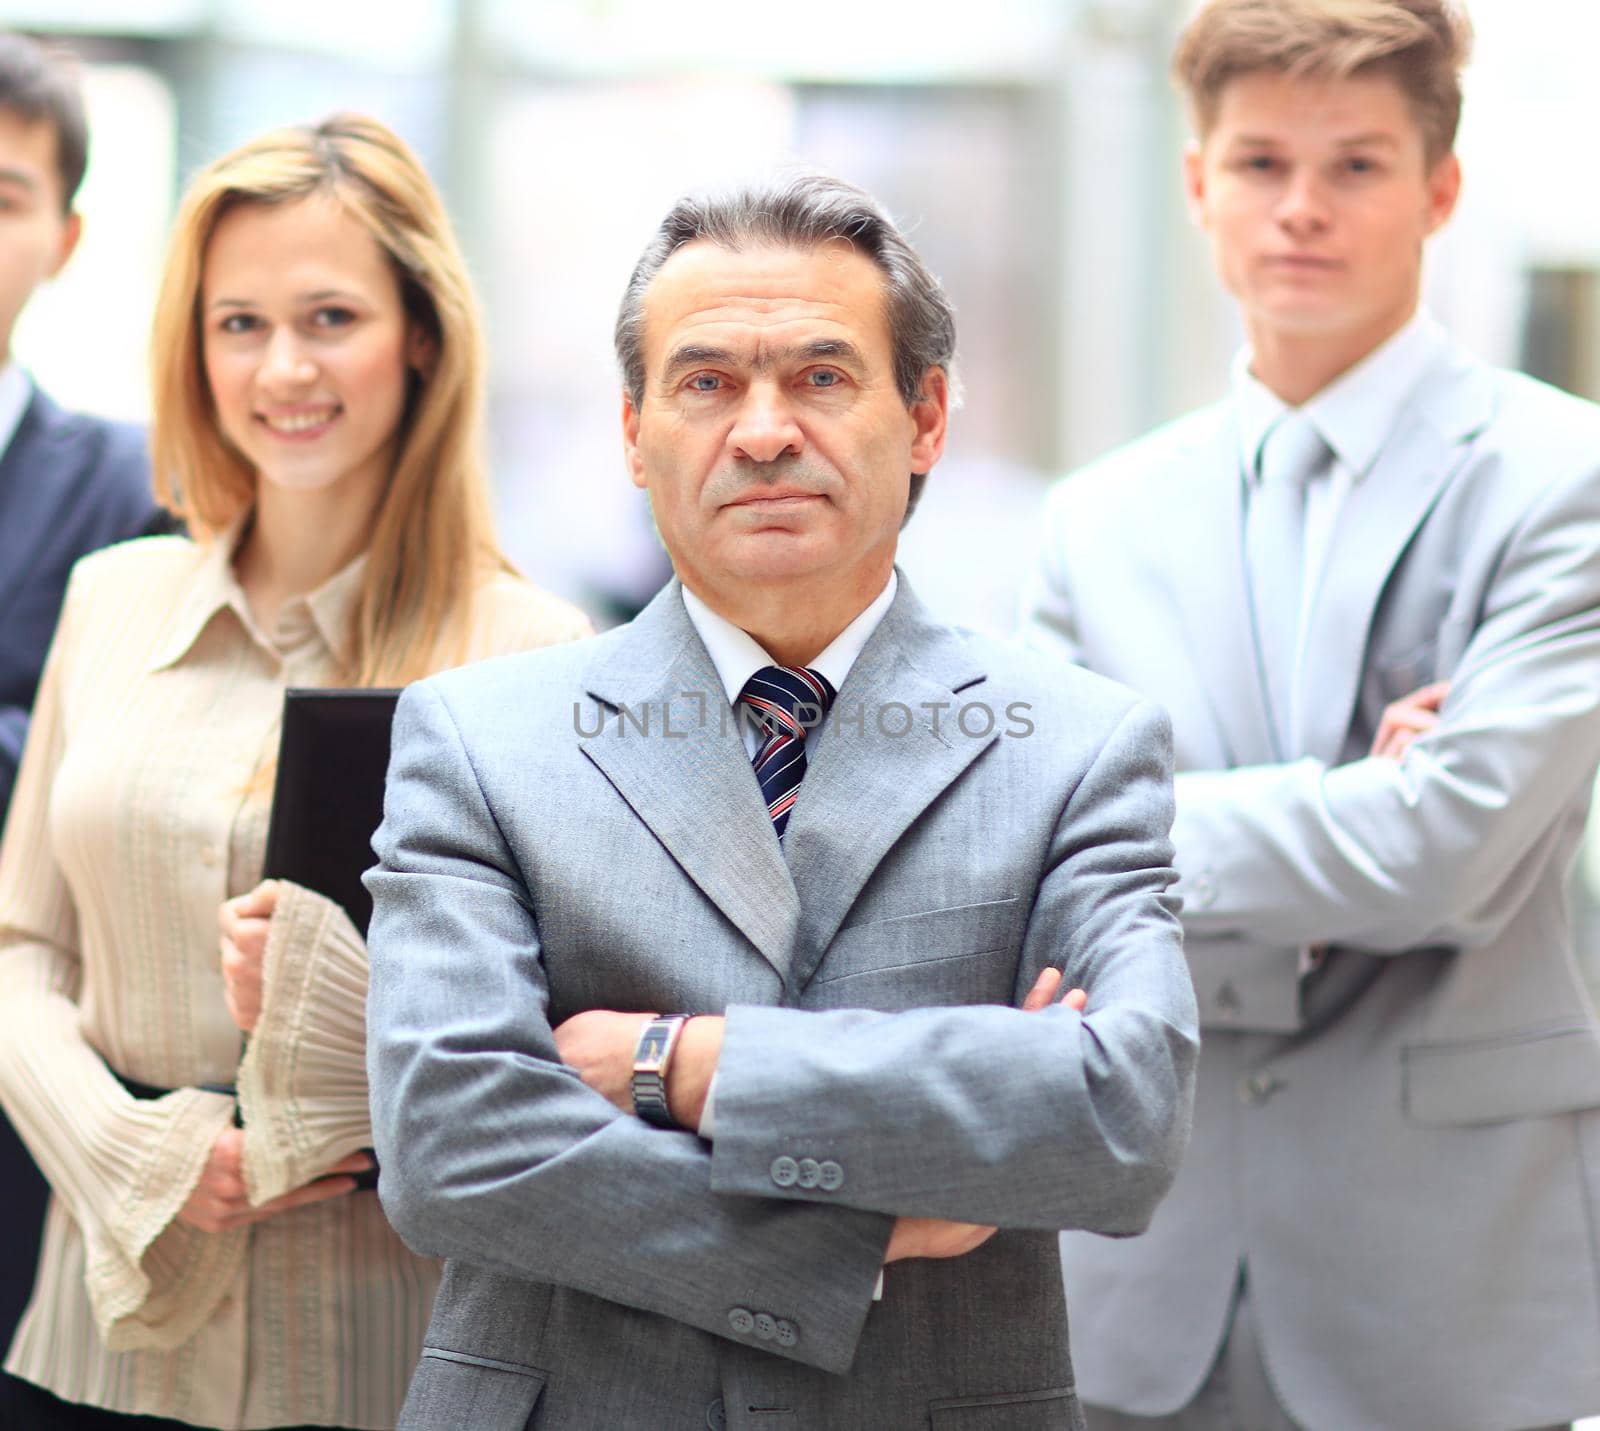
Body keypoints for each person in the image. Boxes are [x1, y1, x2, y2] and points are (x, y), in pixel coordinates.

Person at [363, 173, 1198, 1431]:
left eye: (820, 377)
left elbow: (1114, 1120)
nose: (762, 431)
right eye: (706, 384)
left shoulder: (1077, 748)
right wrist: (852, 1245)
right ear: (634, 433)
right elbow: (451, 1151)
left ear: (923, 421)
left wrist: (678, 1063)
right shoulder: (478, 740)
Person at [1022, 2, 1600, 1428]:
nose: (1302, 210)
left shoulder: (1558, 479)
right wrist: (1351, 803)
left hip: (1442, 1285)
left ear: (1440, 188)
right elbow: (1029, 865)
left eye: (1356, 166)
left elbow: (1445, 853)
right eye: (1263, 161)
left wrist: (1139, 829)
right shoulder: (1094, 522)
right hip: (1134, 1278)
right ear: (1197, 182)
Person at [0, 113, 590, 1429]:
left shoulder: (538, 653)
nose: (283, 368)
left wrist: (351, 1000)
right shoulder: (112, 597)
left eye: (330, 316)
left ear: (421, 331)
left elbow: (576, 1045)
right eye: (239, 323)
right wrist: (126, 1152)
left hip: (397, 1355)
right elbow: (18, 943)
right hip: (106, 1335)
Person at [0, 33, 169, 1353]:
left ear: (64, 235)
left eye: (3, 197)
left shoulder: (136, 492)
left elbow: (141, 772)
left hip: (41, 1105)